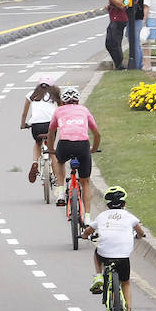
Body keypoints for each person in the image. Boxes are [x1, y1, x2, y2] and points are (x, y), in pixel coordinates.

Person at [85, 186, 147, 311]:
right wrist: (139, 235)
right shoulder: (129, 216)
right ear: (124, 204)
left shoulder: (102, 216)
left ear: (107, 205)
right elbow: (140, 231)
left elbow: (89, 230)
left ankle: (99, 276)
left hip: (105, 254)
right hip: (124, 256)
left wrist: (83, 235)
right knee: (125, 282)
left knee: (97, 253)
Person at [46, 87, 101, 218]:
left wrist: (51, 149)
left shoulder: (58, 110)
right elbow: (97, 133)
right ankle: (87, 217)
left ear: (63, 101)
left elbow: (51, 132)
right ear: (77, 100)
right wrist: (93, 149)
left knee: (59, 161)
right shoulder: (84, 110)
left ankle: (60, 191)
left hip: (65, 144)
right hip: (83, 145)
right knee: (85, 182)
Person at [19, 77, 58, 184]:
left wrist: (23, 125)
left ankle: (35, 162)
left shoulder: (31, 95)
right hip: (51, 124)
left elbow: (24, 113)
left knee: (37, 144)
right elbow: (61, 109)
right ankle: (57, 177)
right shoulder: (53, 95)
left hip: (36, 125)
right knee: (51, 150)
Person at [102, 0, 128, 70]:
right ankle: (117, 63)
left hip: (120, 19)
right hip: (113, 18)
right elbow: (114, 2)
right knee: (109, 43)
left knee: (115, 42)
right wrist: (109, 5)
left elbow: (122, 5)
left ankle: (119, 65)